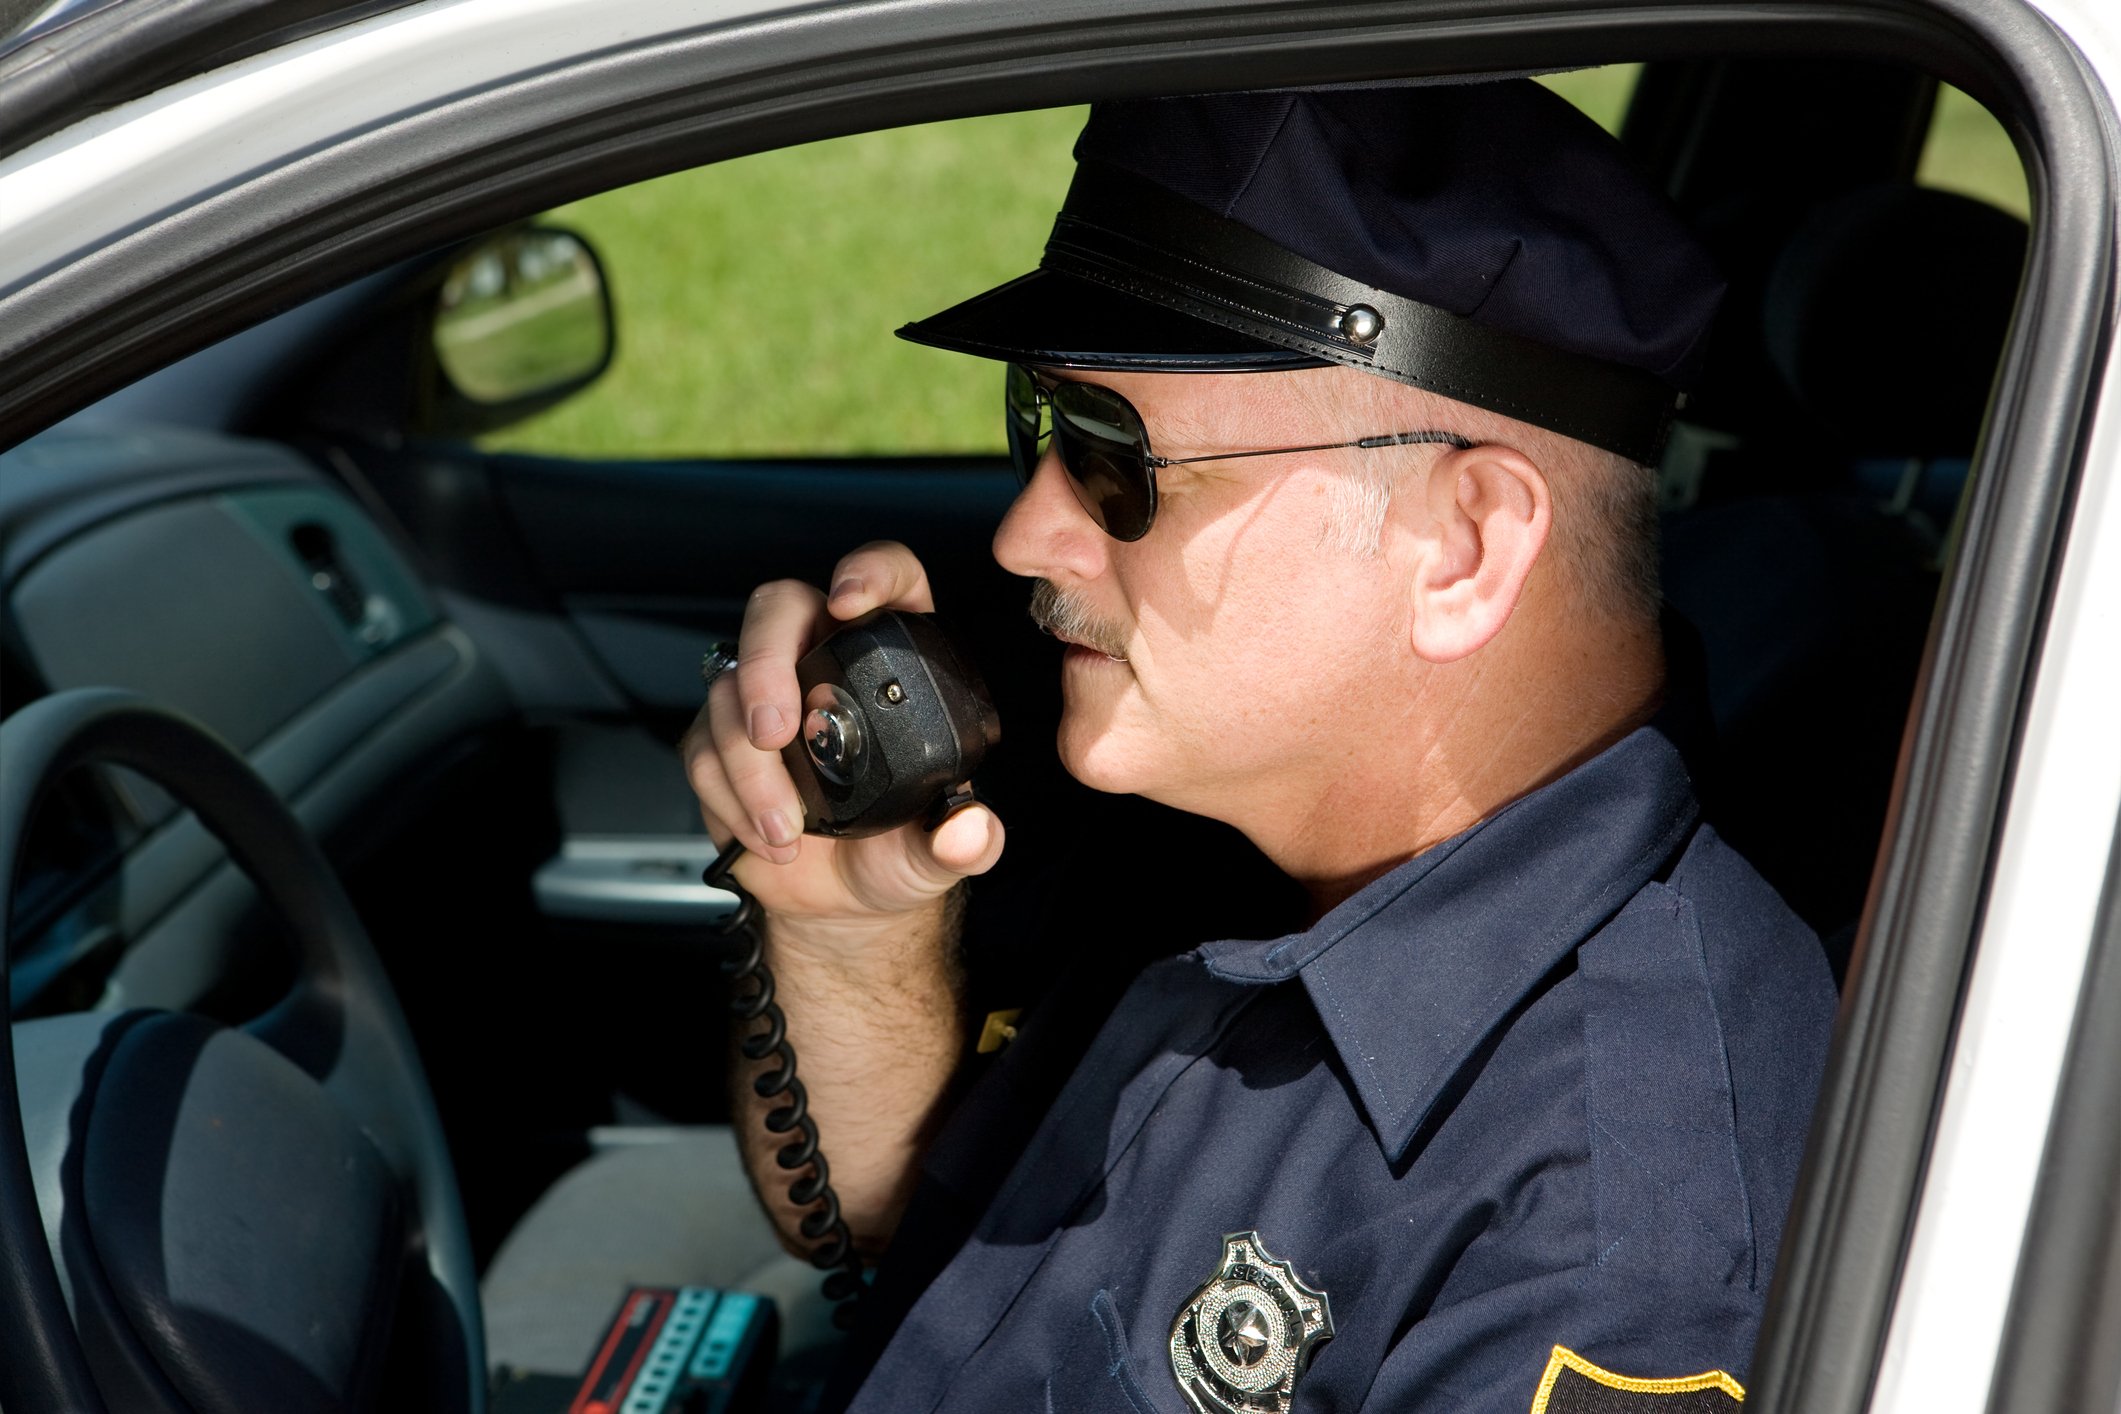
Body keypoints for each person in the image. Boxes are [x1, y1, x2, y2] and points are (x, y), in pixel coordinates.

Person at [680, 81, 1836, 1413]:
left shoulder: (1612, 1233)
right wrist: (846, 936)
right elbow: (901, 1226)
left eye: (1117, 461)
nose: (1023, 534)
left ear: (1460, 547)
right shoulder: (1212, 808)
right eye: (1045, 421)